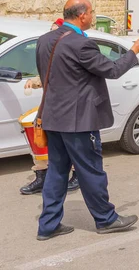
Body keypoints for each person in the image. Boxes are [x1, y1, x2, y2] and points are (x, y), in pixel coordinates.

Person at [35, 0, 139, 240]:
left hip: (54, 118)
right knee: (91, 171)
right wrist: (133, 51)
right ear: (82, 16)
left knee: (57, 172)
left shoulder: (45, 40)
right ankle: (106, 219)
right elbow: (112, 70)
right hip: (78, 121)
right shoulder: (81, 44)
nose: (93, 16)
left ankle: (48, 224)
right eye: (92, 12)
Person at [20, 19, 79, 195]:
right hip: (52, 106)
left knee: (74, 145)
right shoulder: (49, 50)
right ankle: (42, 176)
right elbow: (46, 76)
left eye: (55, 31)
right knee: (41, 140)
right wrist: (34, 82)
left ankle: (77, 176)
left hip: (70, 108)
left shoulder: (72, 48)